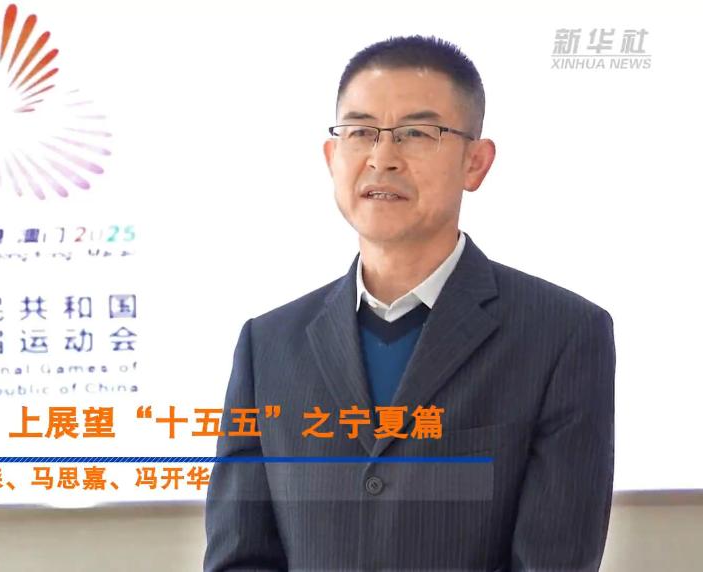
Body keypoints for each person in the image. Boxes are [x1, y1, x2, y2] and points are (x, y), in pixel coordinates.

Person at [203, 35, 615, 571]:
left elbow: (553, 560)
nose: (382, 158)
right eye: (360, 132)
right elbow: (240, 555)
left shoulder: (562, 334)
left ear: (475, 162)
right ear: (332, 157)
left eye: (416, 133)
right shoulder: (268, 345)